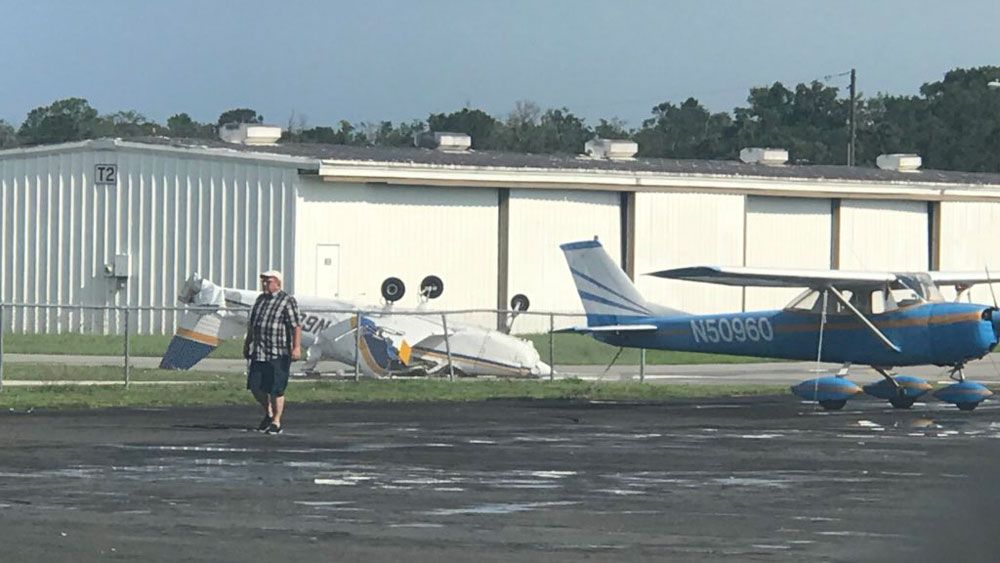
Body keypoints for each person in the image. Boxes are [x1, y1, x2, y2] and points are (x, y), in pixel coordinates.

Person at [243, 270, 302, 434]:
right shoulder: (260, 300)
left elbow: (296, 325)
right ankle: (268, 412)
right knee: (256, 386)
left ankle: (276, 421)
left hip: (278, 351)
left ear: (277, 283)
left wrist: (296, 347)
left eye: (268, 281)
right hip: (260, 351)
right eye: (263, 281)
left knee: (276, 388)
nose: (264, 284)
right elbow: (253, 325)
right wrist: (248, 343)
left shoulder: (287, 301)